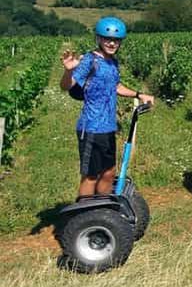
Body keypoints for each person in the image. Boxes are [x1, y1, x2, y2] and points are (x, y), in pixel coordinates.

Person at [60, 17, 155, 198]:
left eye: (116, 40)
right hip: (91, 127)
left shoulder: (113, 62)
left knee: (109, 173)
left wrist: (139, 94)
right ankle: (85, 216)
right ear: (98, 38)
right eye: (107, 39)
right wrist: (68, 70)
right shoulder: (89, 60)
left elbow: (116, 86)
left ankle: (104, 211)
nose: (112, 43)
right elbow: (67, 86)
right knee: (90, 176)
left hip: (108, 127)